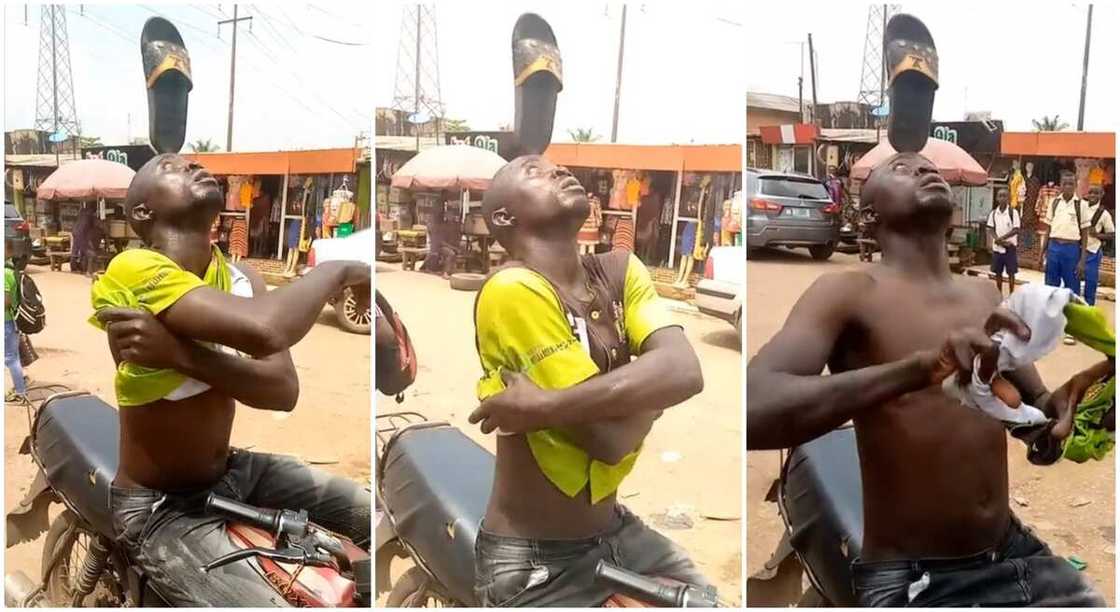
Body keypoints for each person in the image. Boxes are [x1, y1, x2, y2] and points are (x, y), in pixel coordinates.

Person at [747, 151, 1106, 607]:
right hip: (913, 580)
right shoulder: (849, 291)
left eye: (928, 167)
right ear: (869, 214)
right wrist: (918, 370)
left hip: (1014, 553)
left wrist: (1066, 410)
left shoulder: (983, 293)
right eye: (901, 168)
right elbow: (753, 405)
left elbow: (1030, 414)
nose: (924, 169)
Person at [89, 154, 371, 606]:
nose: (194, 165)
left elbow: (282, 390)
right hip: (161, 506)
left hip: (230, 474)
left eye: (194, 163)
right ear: (143, 212)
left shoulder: (242, 278)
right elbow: (266, 331)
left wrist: (178, 354)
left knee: (366, 514)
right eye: (172, 167)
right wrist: (337, 270)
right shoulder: (134, 269)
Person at [468, 155, 711, 607]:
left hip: (614, 530)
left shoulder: (620, 269)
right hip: (536, 563)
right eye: (535, 171)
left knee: (709, 600)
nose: (559, 170)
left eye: (558, 166)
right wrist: (652, 389)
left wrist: (544, 407)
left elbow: (685, 371)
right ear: (504, 216)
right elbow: (608, 437)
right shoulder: (512, 291)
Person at [1082, 183, 1114, 306]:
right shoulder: (1081, 207)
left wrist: (1098, 235)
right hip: (1078, 249)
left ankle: (1089, 307)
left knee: (1090, 282)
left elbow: (1112, 234)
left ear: (1102, 194)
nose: (1092, 195)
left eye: (1096, 193)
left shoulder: (1104, 214)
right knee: (1073, 280)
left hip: (1092, 251)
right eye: (1090, 192)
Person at [985, 186, 1020, 297]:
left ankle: (1011, 295)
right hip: (997, 248)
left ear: (1009, 198)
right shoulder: (993, 213)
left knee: (1011, 273)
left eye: (1005, 196)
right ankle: (999, 294)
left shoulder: (1013, 212)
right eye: (1000, 196)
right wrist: (997, 240)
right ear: (997, 198)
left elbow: (1016, 229)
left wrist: (1002, 239)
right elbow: (990, 228)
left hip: (1010, 248)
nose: (1002, 198)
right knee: (998, 273)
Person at [4, 261, 27, 403]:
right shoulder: (11, 269)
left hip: (6, 321)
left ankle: (20, 393)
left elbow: (5, 300)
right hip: (12, 320)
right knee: (14, 357)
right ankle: (20, 386)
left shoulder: (3, 273)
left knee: (10, 359)